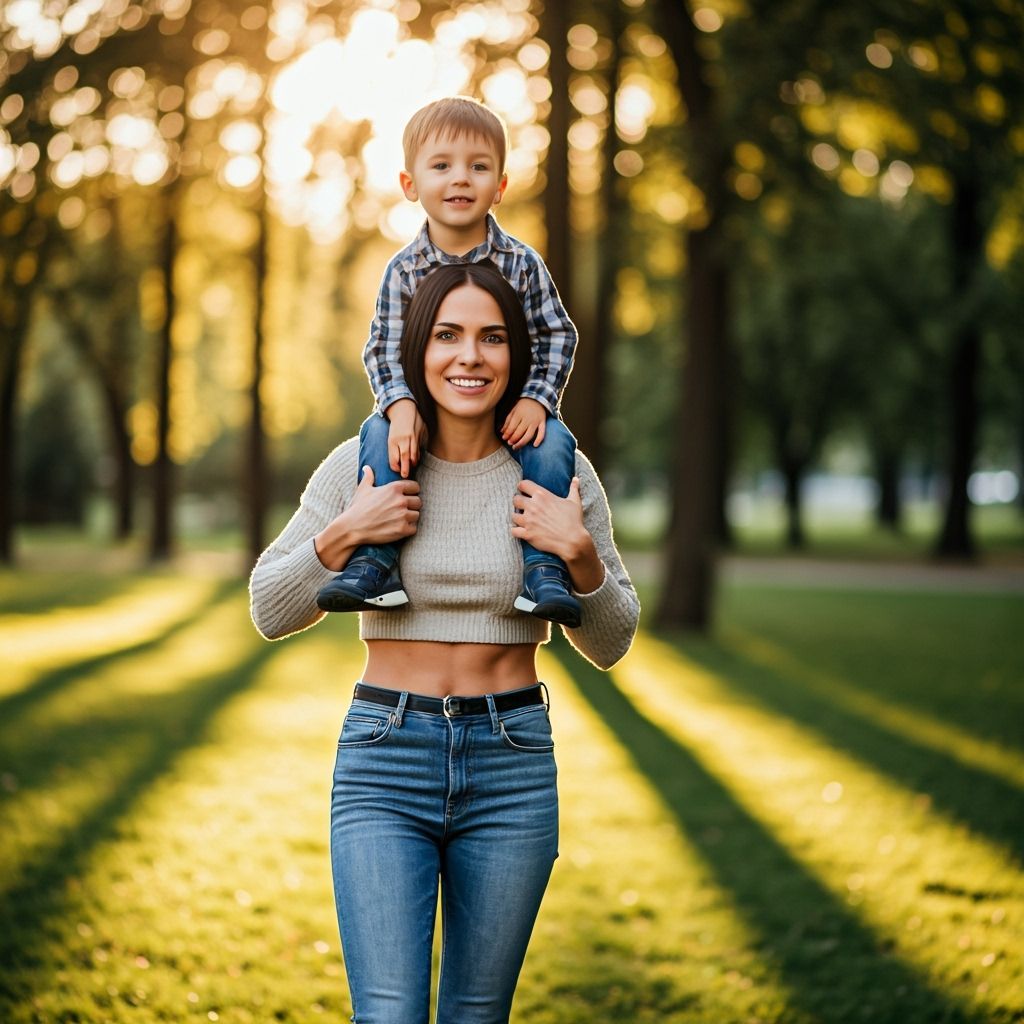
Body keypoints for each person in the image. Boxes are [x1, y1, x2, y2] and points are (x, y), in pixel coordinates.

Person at [250, 261, 639, 1024]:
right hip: (385, 755)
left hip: (512, 760)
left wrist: (580, 554)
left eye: (493, 337)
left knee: (476, 1014)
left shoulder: (559, 471)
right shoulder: (360, 464)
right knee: (389, 1014)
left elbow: (614, 640)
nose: (470, 356)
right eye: (447, 335)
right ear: (415, 351)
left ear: (519, 354)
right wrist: (346, 533)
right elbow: (269, 607)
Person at [315, 96, 582, 628]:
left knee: (554, 443)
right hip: (423, 413)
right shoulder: (404, 270)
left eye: (478, 167)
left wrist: (535, 398)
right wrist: (401, 405)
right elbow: (383, 348)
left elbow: (557, 334)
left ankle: (544, 569)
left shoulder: (521, 264)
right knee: (377, 433)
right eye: (441, 166)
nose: (461, 179)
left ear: (500, 186)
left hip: (511, 414)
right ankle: (375, 563)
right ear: (410, 184)